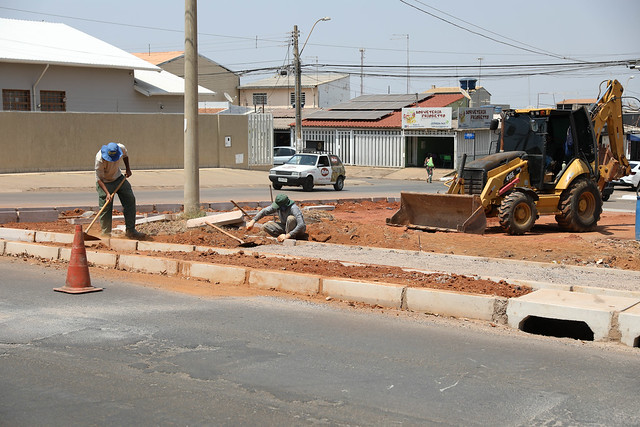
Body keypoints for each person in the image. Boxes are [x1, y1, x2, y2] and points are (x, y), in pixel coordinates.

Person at [95, 142, 145, 239]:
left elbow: (125, 156)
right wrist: (107, 193)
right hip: (104, 182)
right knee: (105, 208)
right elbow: (99, 179)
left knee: (130, 199)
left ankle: (131, 231)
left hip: (118, 178)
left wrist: (128, 169)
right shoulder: (99, 159)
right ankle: (106, 234)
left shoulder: (121, 148)